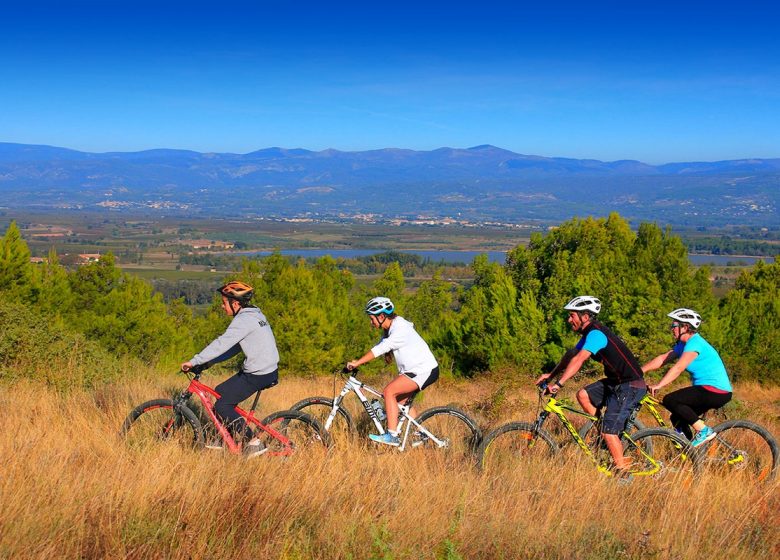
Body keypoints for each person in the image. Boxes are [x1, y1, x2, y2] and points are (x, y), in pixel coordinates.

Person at [536, 296, 647, 472]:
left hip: (630, 385)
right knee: (583, 395)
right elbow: (572, 354)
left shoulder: (596, 334)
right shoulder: (589, 333)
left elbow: (580, 359)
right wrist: (551, 375)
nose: (569, 319)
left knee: (609, 432)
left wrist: (559, 383)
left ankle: (624, 475)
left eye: (572, 315)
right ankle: (604, 435)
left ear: (585, 316)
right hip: (615, 382)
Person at [181, 280, 280, 458]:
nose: (221, 305)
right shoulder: (254, 315)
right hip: (266, 369)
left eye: (224, 302)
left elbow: (222, 343)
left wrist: (194, 361)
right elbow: (234, 347)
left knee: (222, 405)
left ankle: (252, 441)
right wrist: (210, 362)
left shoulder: (243, 320)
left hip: (258, 373)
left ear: (235, 304)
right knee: (220, 392)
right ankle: (225, 437)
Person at [347, 296, 439, 446]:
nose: (371, 323)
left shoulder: (400, 329)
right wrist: (359, 361)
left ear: (382, 316)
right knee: (400, 404)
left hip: (424, 371)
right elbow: (381, 345)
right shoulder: (393, 327)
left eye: (372, 319)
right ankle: (420, 435)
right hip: (416, 371)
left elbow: (381, 348)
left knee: (389, 392)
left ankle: (392, 435)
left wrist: (358, 362)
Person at [642, 308, 732, 447]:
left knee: (670, 400)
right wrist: (639, 371)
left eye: (674, 326)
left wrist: (659, 385)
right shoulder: (683, 345)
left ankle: (704, 431)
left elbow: (678, 368)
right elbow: (663, 358)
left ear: (685, 327)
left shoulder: (695, 343)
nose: (671, 329)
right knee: (677, 417)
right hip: (708, 390)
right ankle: (689, 450)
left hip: (715, 391)